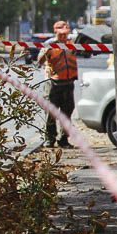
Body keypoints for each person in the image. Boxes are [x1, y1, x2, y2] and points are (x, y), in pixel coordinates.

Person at [37, 19, 78, 148]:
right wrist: (45, 52)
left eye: (65, 34)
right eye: (61, 34)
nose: (63, 36)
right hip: (53, 84)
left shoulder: (72, 44)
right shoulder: (49, 44)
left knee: (67, 113)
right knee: (51, 113)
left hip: (68, 83)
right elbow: (39, 61)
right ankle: (50, 139)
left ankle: (64, 139)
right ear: (55, 32)